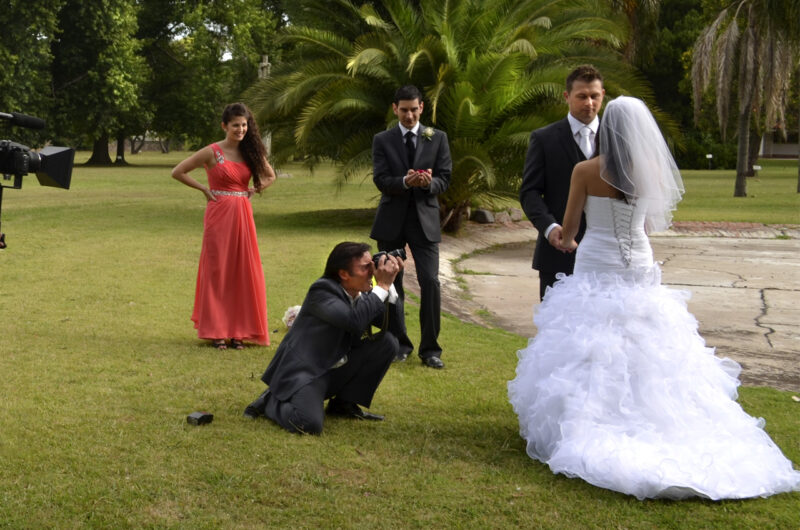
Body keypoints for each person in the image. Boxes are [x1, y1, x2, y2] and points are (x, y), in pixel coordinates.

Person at [508, 96, 800, 500]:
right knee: (646, 338)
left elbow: (572, 228)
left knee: (594, 338)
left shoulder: (587, 170)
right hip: (639, 262)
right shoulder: (650, 170)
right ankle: (656, 413)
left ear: (608, 129)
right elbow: (646, 224)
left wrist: (564, 236)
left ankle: (596, 416)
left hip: (598, 262)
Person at [243, 242, 402, 435]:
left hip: (334, 366)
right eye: (365, 267)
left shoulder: (360, 293)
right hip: (307, 372)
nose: (372, 271)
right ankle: (271, 401)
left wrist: (389, 287)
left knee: (387, 343)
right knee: (307, 424)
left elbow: (394, 326)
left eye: (372, 264)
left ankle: (343, 405)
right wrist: (382, 285)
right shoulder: (322, 291)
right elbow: (353, 321)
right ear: (343, 274)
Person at [171, 102, 276, 350]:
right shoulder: (211, 151)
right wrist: (204, 189)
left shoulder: (251, 151)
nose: (240, 129)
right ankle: (217, 330)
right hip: (218, 214)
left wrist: (255, 188)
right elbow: (178, 171)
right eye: (235, 125)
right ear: (224, 126)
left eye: (244, 124)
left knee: (242, 270)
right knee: (218, 271)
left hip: (243, 215)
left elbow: (270, 176)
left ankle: (239, 331)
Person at [370, 85, 452, 369]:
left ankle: (431, 350)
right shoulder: (382, 139)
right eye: (403, 110)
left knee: (430, 282)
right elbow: (380, 179)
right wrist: (404, 182)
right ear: (395, 109)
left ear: (422, 108)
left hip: (425, 222)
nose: (409, 115)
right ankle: (397, 344)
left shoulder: (437, 138)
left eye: (414, 110)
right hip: (391, 222)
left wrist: (430, 183)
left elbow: (445, 178)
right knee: (392, 285)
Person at [519, 65, 605, 300]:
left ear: (603, 95)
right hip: (556, 257)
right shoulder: (544, 139)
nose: (589, 103)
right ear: (567, 97)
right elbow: (530, 192)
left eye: (594, 96)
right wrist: (550, 227)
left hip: (605, 258)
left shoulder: (616, 140)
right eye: (582, 96)